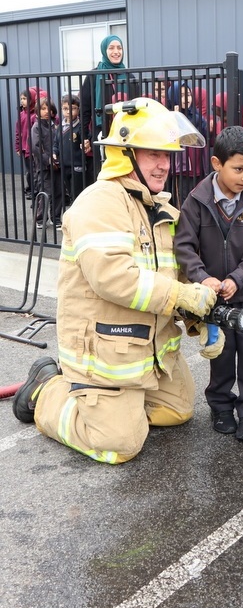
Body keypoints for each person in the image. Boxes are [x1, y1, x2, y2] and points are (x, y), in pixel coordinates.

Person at [12, 98, 222, 464]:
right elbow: (114, 279)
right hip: (103, 354)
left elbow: (175, 274)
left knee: (179, 410)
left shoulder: (159, 208)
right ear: (124, 153)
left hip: (145, 354)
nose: (164, 165)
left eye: (168, 155)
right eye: (153, 153)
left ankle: (116, 404)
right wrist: (181, 296)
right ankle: (46, 391)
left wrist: (197, 317)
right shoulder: (100, 203)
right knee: (120, 444)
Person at [176, 125, 243, 442]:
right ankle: (220, 406)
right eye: (239, 169)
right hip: (213, 299)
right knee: (221, 353)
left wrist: (237, 278)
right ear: (217, 164)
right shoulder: (196, 201)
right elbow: (184, 247)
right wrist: (204, 279)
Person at [80, 35, 138, 175]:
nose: (116, 51)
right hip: (102, 132)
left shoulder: (130, 77)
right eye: (111, 48)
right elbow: (85, 109)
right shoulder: (93, 75)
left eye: (119, 48)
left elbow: (137, 106)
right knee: (103, 171)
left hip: (126, 133)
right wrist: (85, 136)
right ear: (104, 51)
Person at [167, 80, 209, 207]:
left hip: (197, 167)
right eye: (182, 95)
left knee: (198, 200)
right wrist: (176, 117)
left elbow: (204, 133)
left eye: (189, 95)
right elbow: (171, 137)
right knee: (183, 202)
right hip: (181, 169)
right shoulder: (169, 116)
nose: (187, 99)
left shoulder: (196, 115)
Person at [31, 96, 63, 229]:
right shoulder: (36, 127)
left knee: (59, 192)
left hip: (57, 164)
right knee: (46, 192)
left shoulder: (54, 125)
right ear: (37, 111)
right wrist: (47, 159)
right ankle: (40, 219)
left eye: (48, 108)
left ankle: (56, 219)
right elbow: (35, 147)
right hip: (44, 166)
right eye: (43, 108)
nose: (46, 111)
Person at [58, 93, 92, 205]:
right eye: (65, 109)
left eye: (72, 108)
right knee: (70, 193)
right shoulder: (60, 127)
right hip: (64, 165)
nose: (68, 112)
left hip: (77, 166)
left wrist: (87, 142)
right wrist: (54, 152)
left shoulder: (80, 126)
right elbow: (55, 143)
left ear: (78, 110)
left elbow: (87, 138)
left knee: (78, 194)